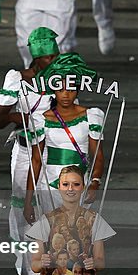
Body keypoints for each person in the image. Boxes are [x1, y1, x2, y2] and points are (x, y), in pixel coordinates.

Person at [0, 27, 59, 275]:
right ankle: (22, 265)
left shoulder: (61, 77)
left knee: (49, 206)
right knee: (22, 208)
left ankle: (42, 266)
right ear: (36, 58)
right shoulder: (17, 79)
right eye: (49, 58)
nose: (54, 62)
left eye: (56, 56)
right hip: (25, 150)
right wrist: (26, 119)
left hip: (53, 150)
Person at [24, 53, 105, 220]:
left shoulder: (92, 115)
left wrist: (95, 182)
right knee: (54, 234)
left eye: (71, 89)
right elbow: (36, 160)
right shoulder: (42, 119)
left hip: (79, 181)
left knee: (77, 233)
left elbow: (97, 155)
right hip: (50, 184)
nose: (66, 94)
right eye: (60, 89)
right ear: (53, 90)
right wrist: (28, 200)